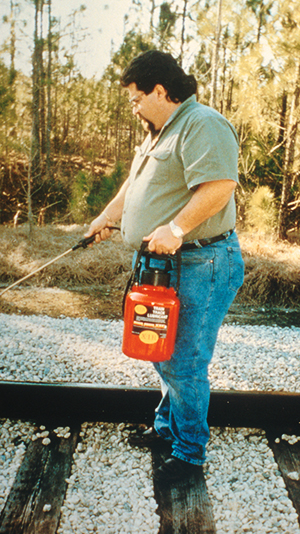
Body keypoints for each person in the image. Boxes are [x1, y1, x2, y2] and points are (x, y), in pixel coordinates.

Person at [85, 50, 244, 483]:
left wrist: (175, 227)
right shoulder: (159, 132)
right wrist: (106, 219)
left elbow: (220, 187)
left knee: (184, 361)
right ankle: (167, 430)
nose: (133, 107)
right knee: (161, 352)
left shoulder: (201, 124)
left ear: (159, 90)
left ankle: (190, 454)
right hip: (166, 265)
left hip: (201, 261)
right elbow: (135, 184)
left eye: (136, 98)